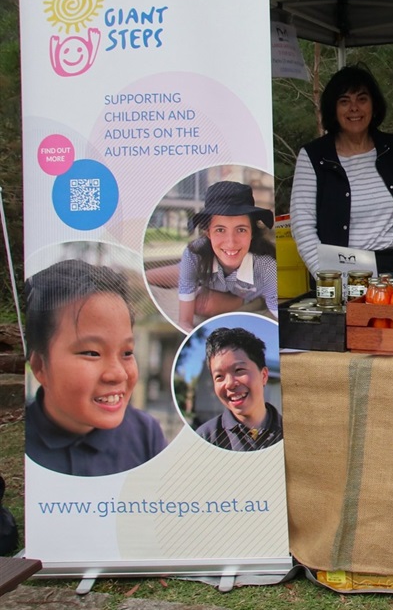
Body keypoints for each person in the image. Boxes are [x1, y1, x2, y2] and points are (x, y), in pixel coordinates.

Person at [24, 259, 166, 476]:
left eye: (127, 353)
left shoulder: (145, 434)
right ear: (40, 366)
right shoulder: (19, 445)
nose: (118, 374)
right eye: (92, 353)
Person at [290, 64, 393, 278]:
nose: (354, 108)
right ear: (333, 110)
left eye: (362, 99)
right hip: (343, 276)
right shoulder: (314, 156)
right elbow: (303, 227)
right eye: (344, 101)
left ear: (374, 105)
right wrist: (330, 280)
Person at [148, 181, 277, 332]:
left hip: (242, 292)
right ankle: (198, 278)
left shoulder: (265, 266)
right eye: (220, 230)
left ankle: (243, 300)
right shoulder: (194, 254)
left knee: (203, 305)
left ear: (252, 233)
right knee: (149, 277)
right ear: (208, 232)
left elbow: (278, 313)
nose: (231, 242)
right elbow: (185, 322)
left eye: (241, 230)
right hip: (205, 270)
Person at [194, 327, 283, 451]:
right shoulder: (205, 438)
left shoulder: (291, 432)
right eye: (219, 376)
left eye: (239, 370)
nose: (230, 384)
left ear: (263, 376)